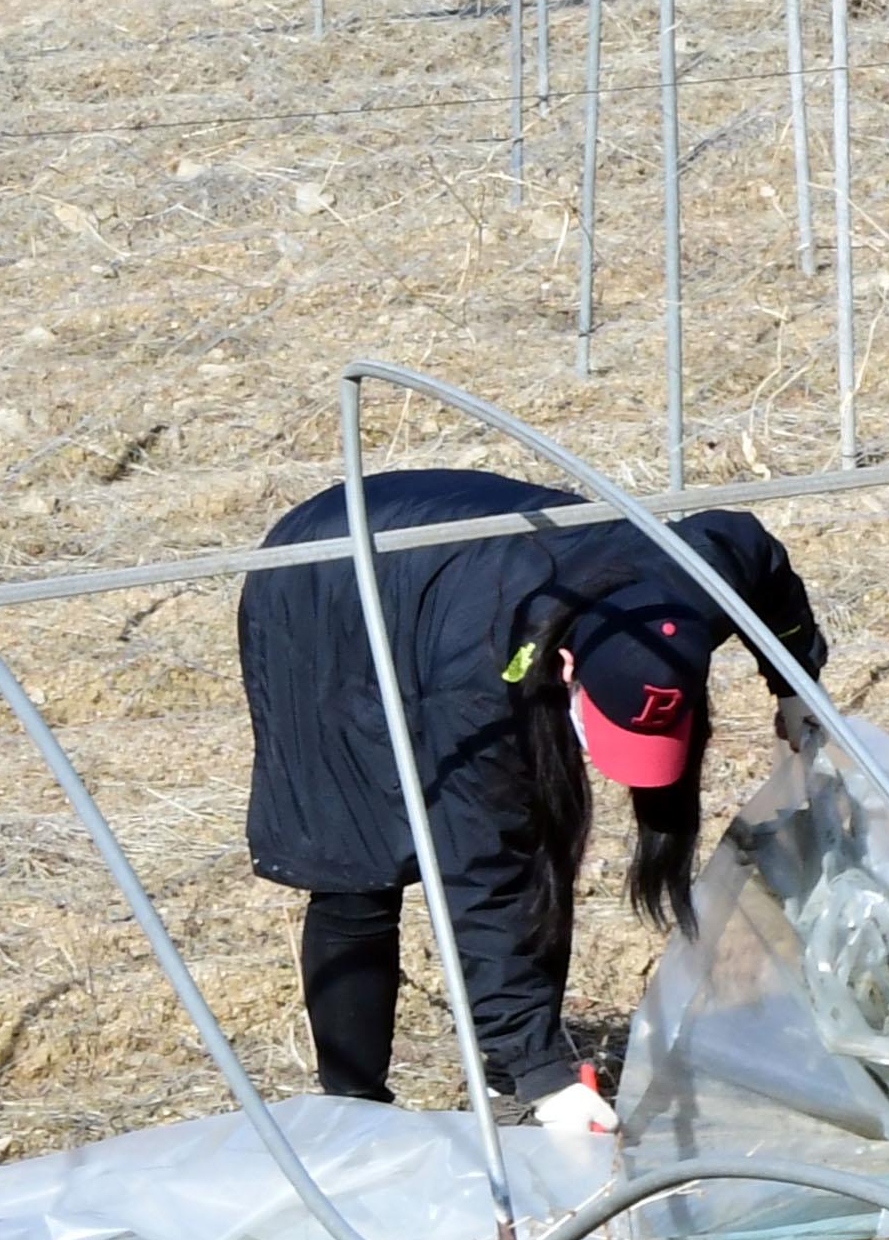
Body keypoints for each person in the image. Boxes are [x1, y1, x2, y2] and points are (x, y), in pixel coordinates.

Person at [238, 467, 827, 1135]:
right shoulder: (483, 684)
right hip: (328, 581)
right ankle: (354, 1112)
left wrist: (793, 682)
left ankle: (507, 1074)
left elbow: (752, 548)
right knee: (360, 857)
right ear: (568, 668)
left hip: (464, 571)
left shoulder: (692, 581)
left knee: (538, 832)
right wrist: (546, 1076)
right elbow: (485, 871)